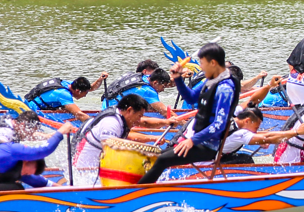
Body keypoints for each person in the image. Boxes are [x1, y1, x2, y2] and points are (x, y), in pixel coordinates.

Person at [137, 43, 241, 183]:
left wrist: (192, 140)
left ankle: (136, 193)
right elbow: (190, 97)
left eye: (202, 64)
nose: (201, 68)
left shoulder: (225, 89)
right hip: (196, 140)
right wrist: (178, 78)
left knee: (161, 160)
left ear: (213, 63)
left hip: (207, 146)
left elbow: (219, 124)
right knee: (152, 157)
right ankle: (137, 186)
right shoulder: (212, 81)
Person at [0, 118, 77, 194]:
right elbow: (45, 149)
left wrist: (60, 188)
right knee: (15, 187)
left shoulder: (12, 163)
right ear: (28, 161)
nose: (27, 175)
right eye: (29, 173)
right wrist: (61, 131)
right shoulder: (12, 150)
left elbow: (34, 180)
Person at [71, 94, 163, 186]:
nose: (139, 120)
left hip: (95, 169)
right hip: (85, 173)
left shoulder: (118, 115)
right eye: (139, 116)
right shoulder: (111, 123)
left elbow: (127, 138)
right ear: (129, 110)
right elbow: (112, 154)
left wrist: (153, 138)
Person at [22, 75, 106, 122]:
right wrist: (96, 124)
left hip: (31, 104)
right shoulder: (63, 94)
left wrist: (100, 80)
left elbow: (90, 87)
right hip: (31, 111)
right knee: (75, 112)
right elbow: (79, 114)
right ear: (78, 91)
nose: (85, 96)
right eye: (85, 93)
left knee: (66, 108)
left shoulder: (68, 84)